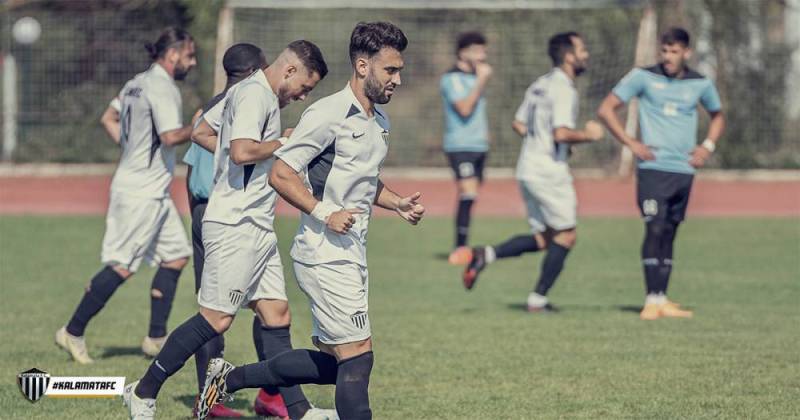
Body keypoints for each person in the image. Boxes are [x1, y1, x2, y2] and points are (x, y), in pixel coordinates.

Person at [195, 22, 424, 420]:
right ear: (363, 66)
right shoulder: (327, 113)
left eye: (399, 70)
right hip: (323, 254)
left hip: (352, 251)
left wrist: (397, 203)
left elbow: (362, 180)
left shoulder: (380, 122)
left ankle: (230, 378)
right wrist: (324, 213)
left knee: (338, 363)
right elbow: (281, 173)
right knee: (358, 357)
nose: (397, 79)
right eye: (390, 70)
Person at [124, 40, 331, 420]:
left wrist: (237, 150)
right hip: (235, 223)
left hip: (257, 223)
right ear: (290, 70)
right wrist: (284, 142)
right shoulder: (255, 96)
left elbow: (202, 131)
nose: (303, 96)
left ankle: (299, 410)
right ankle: (143, 391)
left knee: (276, 315)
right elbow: (241, 152)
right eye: (305, 86)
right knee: (216, 318)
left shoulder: (247, 91)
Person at [56, 27, 197, 363]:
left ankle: (155, 338)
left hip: (150, 190)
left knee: (176, 255)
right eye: (190, 56)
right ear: (173, 54)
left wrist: (130, 144)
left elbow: (108, 117)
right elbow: (170, 136)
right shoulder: (162, 86)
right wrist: (203, 126)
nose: (192, 63)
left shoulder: (136, 82)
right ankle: (72, 331)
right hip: (140, 193)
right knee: (122, 265)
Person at [462, 32, 604, 312]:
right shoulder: (564, 88)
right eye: (582, 50)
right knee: (566, 236)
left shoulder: (541, 83)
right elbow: (561, 133)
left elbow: (518, 123)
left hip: (528, 166)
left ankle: (485, 255)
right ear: (569, 56)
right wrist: (588, 135)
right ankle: (538, 300)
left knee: (545, 237)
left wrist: (542, 141)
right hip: (549, 172)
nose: (586, 55)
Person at [597, 27, 725, 320]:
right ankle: (651, 299)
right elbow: (606, 109)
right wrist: (631, 143)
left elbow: (718, 116)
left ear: (686, 53)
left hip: (683, 170)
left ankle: (662, 298)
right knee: (654, 227)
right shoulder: (643, 77)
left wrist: (707, 146)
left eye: (674, 51)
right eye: (664, 51)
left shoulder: (700, 83)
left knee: (669, 231)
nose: (668, 57)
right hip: (653, 169)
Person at [183, 42, 275, 419]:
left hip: (204, 211)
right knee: (244, 311)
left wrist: (197, 219)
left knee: (243, 307)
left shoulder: (209, 108)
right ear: (256, 70)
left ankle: (225, 397)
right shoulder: (251, 103)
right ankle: (226, 398)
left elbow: (192, 170)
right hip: (232, 217)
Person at [440, 31, 492, 264]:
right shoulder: (451, 79)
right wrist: (481, 81)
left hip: (479, 145)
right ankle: (460, 248)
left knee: (470, 195)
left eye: (484, 50)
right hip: (460, 146)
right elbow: (464, 109)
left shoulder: (475, 77)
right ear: (463, 53)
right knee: (468, 192)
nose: (483, 55)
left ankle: (461, 245)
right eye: (478, 50)